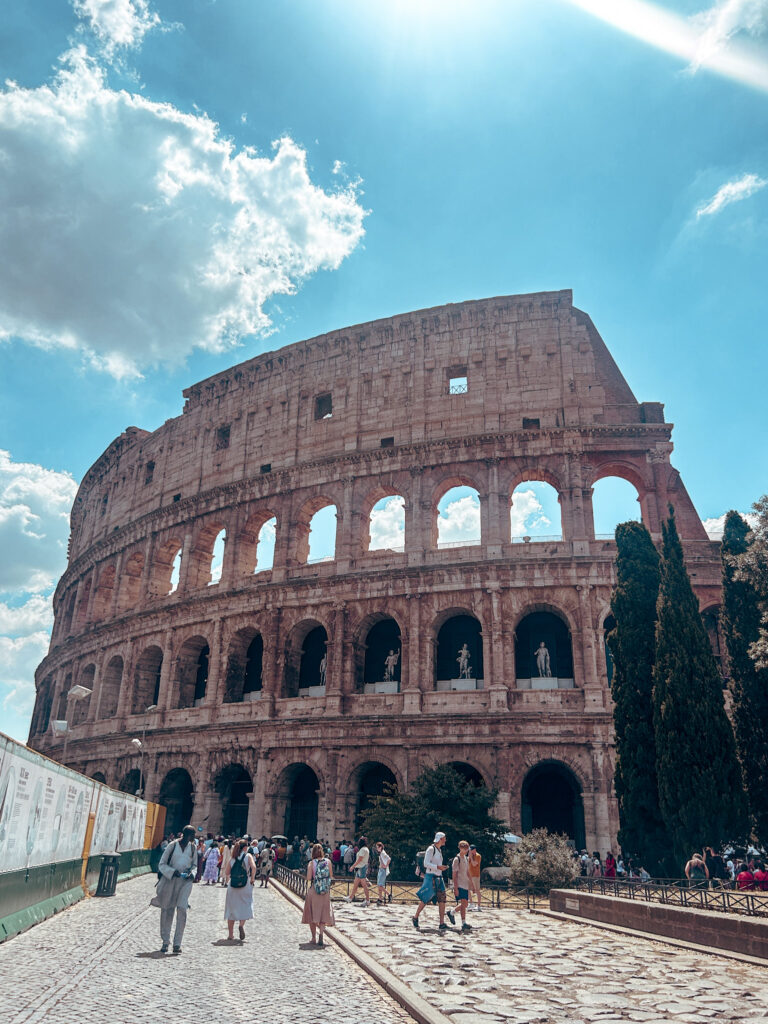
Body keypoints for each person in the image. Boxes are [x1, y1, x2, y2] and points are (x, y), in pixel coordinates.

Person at [155, 824, 199, 954]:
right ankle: (165, 941)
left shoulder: (193, 848)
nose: (193, 838)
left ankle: (177, 943)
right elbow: (162, 864)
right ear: (186, 835)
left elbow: (195, 865)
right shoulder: (172, 846)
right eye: (192, 835)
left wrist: (193, 873)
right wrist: (173, 872)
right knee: (167, 910)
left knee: (182, 909)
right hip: (170, 880)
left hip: (185, 882)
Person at [412, 832, 456, 931]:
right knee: (426, 898)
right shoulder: (431, 849)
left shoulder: (439, 850)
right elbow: (426, 863)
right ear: (440, 839)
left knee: (442, 898)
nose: (445, 840)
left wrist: (440, 868)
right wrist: (437, 867)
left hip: (438, 877)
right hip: (431, 877)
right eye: (444, 838)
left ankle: (441, 923)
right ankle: (415, 917)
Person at [223, 837, 257, 941]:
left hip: (233, 886)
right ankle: (241, 925)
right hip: (245, 884)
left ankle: (230, 935)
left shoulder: (232, 858)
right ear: (245, 847)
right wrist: (252, 879)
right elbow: (254, 867)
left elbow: (227, 872)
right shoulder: (248, 856)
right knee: (245, 905)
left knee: (231, 909)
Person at [302, 842, 335, 945]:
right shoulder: (328, 862)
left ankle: (313, 938)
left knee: (312, 914)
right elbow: (331, 876)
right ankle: (321, 934)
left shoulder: (311, 863)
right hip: (325, 891)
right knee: (323, 913)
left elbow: (308, 878)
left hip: (314, 890)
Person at [452, 840, 473, 932]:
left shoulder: (465, 858)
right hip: (460, 883)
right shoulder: (457, 859)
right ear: (460, 848)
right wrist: (455, 887)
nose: (466, 851)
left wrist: (471, 882)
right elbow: (454, 874)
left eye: (467, 849)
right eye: (465, 849)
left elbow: (467, 872)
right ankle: (455, 915)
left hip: (465, 883)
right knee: (464, 903)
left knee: (465, 904)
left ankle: (455, 915)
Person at [345, 836, 371, 906]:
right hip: (361, 867)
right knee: (355, 884)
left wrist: (353, 866)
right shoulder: (365, 849)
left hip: (361, 868)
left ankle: (368, 900)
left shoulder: (363, 850)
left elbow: (359, 859)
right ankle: (350, 897)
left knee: (364, 885)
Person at [467, 844, 482, 911]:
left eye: (471, 850)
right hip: (470, 875)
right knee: (468, 889)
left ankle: (479, 906)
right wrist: (469, 857)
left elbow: (474, 864)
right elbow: (467, 864)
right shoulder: (470, 856)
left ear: (474, 850)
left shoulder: (478, 856)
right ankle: (471, 903)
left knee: (477, 890)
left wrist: (471, 857)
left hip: (475, 876)